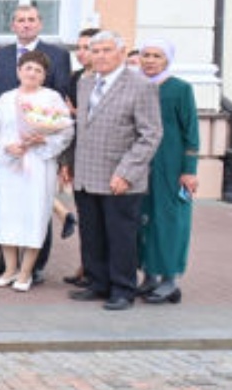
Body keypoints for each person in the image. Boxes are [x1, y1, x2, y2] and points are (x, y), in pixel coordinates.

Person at [61, 31, 163, 311]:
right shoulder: (85, 83)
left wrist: (127, 173)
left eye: (107, 50)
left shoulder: (141, 85)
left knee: (120, 236)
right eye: (96, 51)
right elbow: (80, 127)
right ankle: (98, 283)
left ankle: (122, 289)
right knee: (92, 233)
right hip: (86, 172)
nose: (101, 56)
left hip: (120, 176)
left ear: (121, 52)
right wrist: (68, 162)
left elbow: (150, 135)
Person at [0, 4, 76, 281]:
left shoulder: (58, 55)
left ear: (40, 23)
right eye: (20, 20)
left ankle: (34, 268)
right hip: (10, 151)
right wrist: (5, 144)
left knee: (37, 208)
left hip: (40, 152)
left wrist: (43, 137)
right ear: (13, 25)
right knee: (9, 208)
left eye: (31, 19)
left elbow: (61, 102)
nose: (25, 24)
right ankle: (7, 265)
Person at [135, 38, 198, 304]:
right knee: (143, 219)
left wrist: (189, 170)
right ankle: (149, 276)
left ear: (167, 60)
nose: (150, 60)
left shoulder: (180, 89)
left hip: (170, 166)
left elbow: (191, 131)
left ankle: (170, 279)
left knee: (169, 221)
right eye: (146, 55)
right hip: (140, 164)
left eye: (156, 56)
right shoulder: (135, 85)